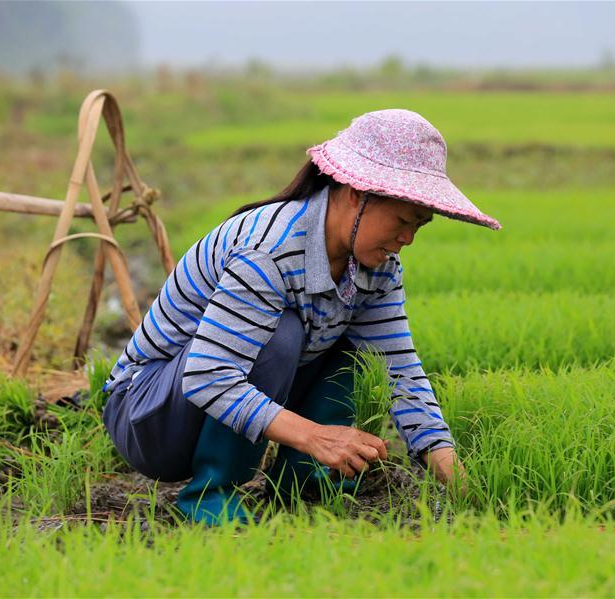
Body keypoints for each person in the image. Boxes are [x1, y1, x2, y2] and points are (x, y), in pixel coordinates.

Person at [101, 108, 501, 525]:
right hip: (148, 416)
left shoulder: (376, 268)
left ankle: (303, 482)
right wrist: (318, 437)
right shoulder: (267, 252)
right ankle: (212, 494)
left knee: (359, 350)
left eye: (419, 226)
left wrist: (459, 480)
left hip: (201, 402)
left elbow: (401, 371)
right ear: (354, 193)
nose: (407, 240)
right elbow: (209, 376)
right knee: (280, 332)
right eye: (401, 220)